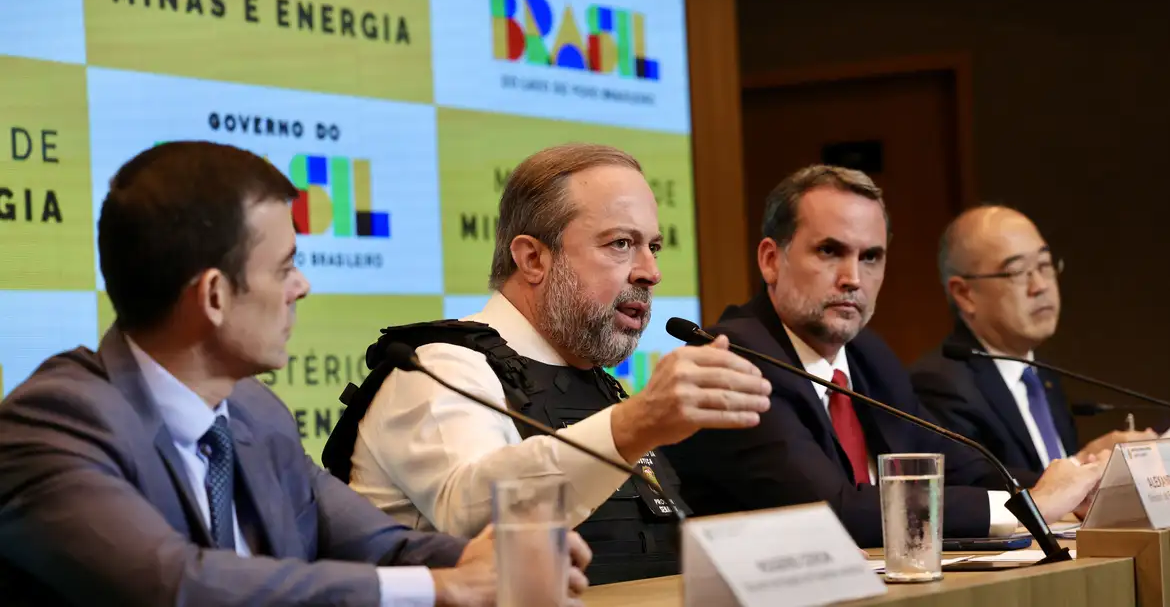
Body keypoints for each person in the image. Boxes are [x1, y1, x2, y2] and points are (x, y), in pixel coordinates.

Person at [0, 141, 591, 607]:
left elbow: (382, 549)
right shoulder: (55, 424)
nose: (301, 287)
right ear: (212, 295)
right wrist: (445, 589)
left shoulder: (255, 414)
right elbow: (176, 587)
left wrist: (483, 561)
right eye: (285, 267)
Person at [325, 143, 771, 585]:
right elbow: (475, 520)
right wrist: (637, 423)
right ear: (533, 258)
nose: (650, 272)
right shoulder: (440, 369)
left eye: (653, 246)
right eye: (621, 244)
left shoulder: (594, 381)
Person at [661, 165, 1107, 548]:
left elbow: (957, 463)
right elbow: (831, 510)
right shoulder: (732, 358)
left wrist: (1070, 488)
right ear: (771, 260)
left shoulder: (868, 355)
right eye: (830, 251)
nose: (853, 278)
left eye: (871, 257)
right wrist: (1029, 506)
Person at [911, 206, 1156, 475]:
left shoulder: (1041, 374)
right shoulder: (940, 385)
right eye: (1017, 271)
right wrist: (1084, 464)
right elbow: (978, 489)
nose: (1040, 285)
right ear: (965, 294)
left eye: (1044, 265)